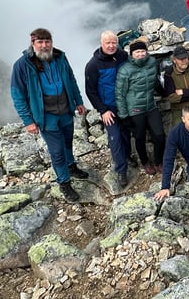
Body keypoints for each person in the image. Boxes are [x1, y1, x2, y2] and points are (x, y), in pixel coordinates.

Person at [10, 28, 88, 202]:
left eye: (47, 42)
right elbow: (17, 95)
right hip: (46, 115)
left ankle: (71, 166)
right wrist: (28, 121)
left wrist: (78, 101)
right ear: (33, 43)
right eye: (40, 42)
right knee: (57, 151)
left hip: (65, 110)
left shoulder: (60, 57)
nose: (44, 46)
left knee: (68, 142)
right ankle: (64, 183)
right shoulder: (22, 65)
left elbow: (70, 79)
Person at [84, 30, 131, 188]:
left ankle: (128, 156)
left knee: (125, 133)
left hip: (124, 105)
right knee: (115, 138)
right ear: (101, 43)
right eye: (108, 43)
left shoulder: (123, 56)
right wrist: (103, 110)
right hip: (108, 108)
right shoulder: (93, 65)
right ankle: (121, 171)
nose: (111, 46)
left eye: (114, 43)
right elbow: (90, 91)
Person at [116, 40, 165, 175]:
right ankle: (145, 162)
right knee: (139, 137)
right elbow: (120, 94)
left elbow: (154, 80)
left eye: (143, 51)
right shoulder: (125, 70)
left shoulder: (152, 63)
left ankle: (158, 161)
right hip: (135, 109)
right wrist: (124, 115)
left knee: (160, 136)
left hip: (150, 105)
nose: (141, 54)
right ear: (131, 54)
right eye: (137, 52)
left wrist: (163, 91)